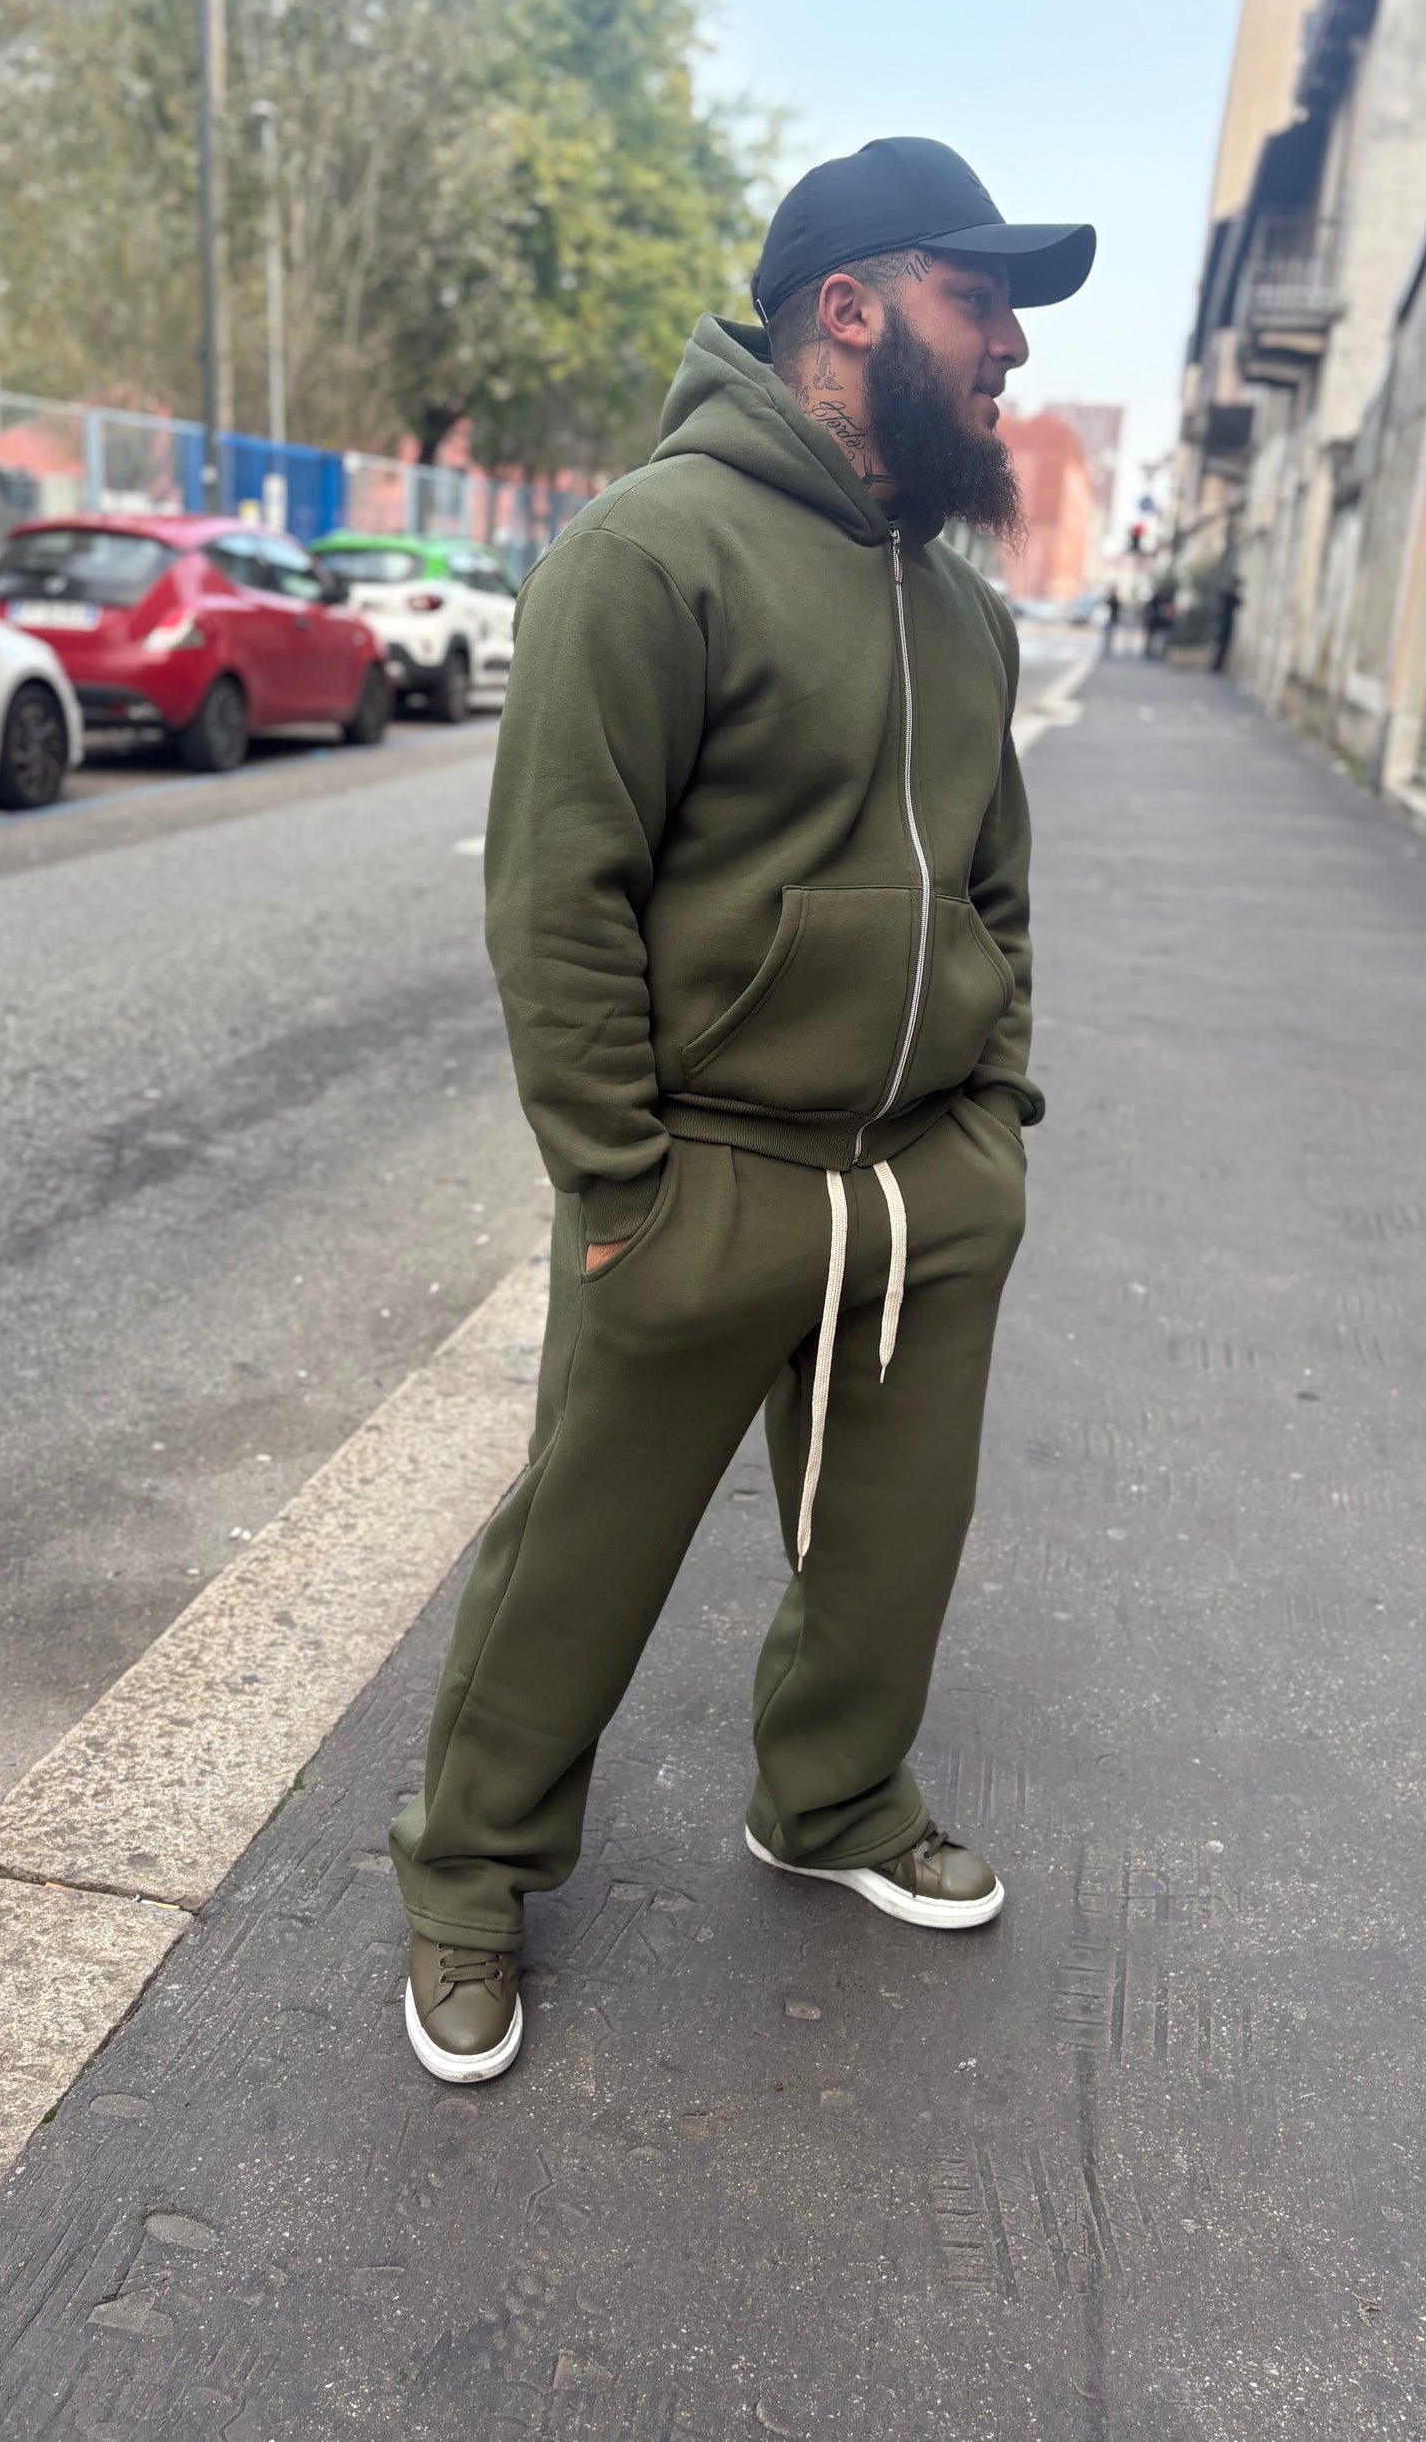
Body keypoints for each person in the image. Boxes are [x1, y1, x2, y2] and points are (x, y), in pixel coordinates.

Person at [390, 137, 1096, 2083]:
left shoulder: (964, 612)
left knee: (889, 1548)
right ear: (845, 312)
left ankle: (834, 1800)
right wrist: (621, 1185)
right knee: (580, 1560)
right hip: (703, 1177)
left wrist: (992, 1122)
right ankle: (467, 1875)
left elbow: (997, 888)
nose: (1011, 346)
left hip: (925, 1183)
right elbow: (559, 899)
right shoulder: (649, 554)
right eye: (977, 300)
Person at [1212, 572, 1242, 673]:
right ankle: (1217, 666)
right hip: (1226, 622)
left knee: (1222, 645)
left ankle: (1217, 665)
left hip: (1223, 621)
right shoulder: (1230, 594)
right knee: (1223, 645)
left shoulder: (1226, 593)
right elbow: (1239, 602)